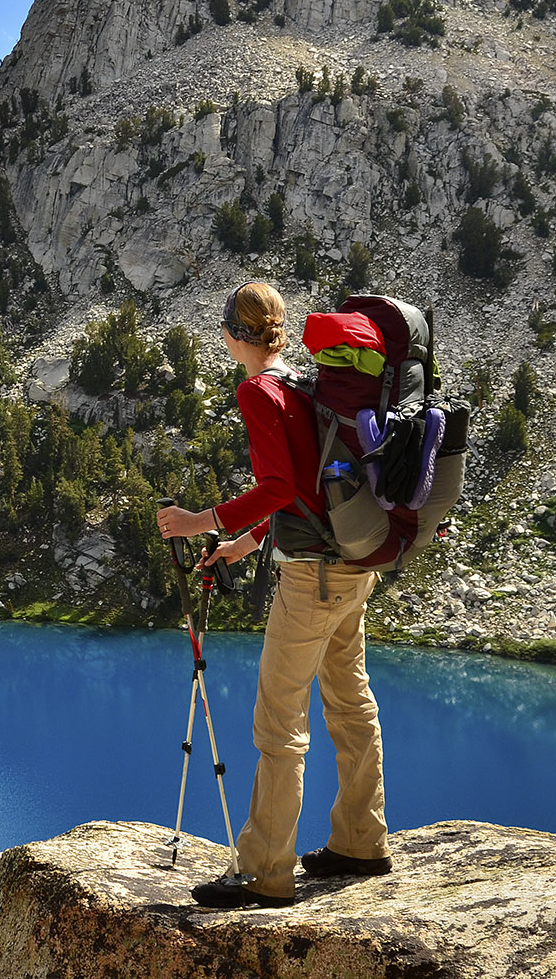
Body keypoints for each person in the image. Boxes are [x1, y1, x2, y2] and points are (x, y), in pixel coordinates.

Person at [155, 281, 391, 910]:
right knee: (349, 697)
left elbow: (281, 485)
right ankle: (361, 840)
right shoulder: (306, 385)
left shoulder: (258, 390)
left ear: (235, 334)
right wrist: (250, 542)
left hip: (311, 578)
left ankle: (265, 871)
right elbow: (310, 487)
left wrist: (201, 521)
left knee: (279, 721)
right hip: (352, 564)